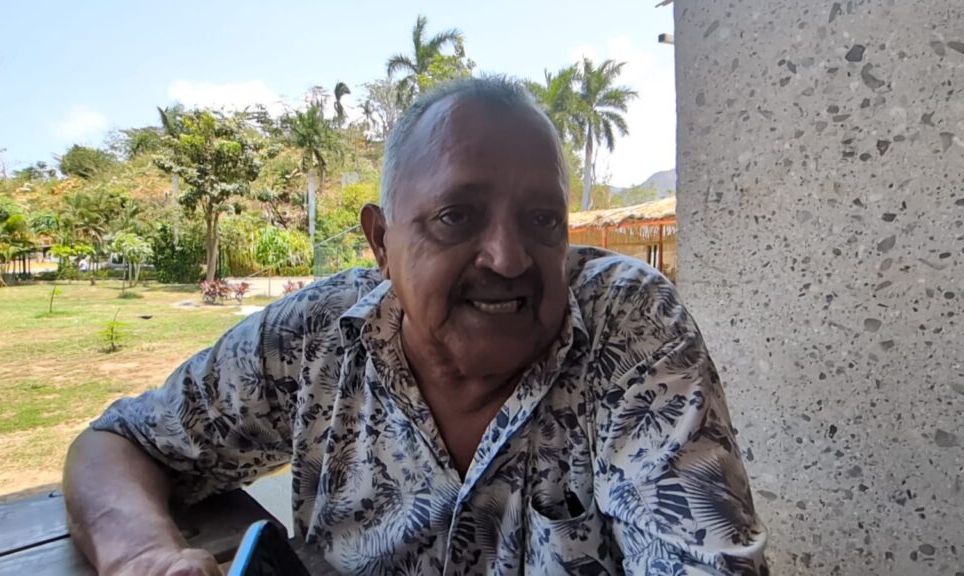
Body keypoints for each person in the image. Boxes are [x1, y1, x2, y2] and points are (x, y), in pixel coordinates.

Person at [63, 77, 768, 576]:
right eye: (457, 217)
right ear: (381, 241)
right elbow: (118, 443)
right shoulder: (316, 339)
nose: (509, 257)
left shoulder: (628, 326)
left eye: (541, 219)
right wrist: (143, 556)